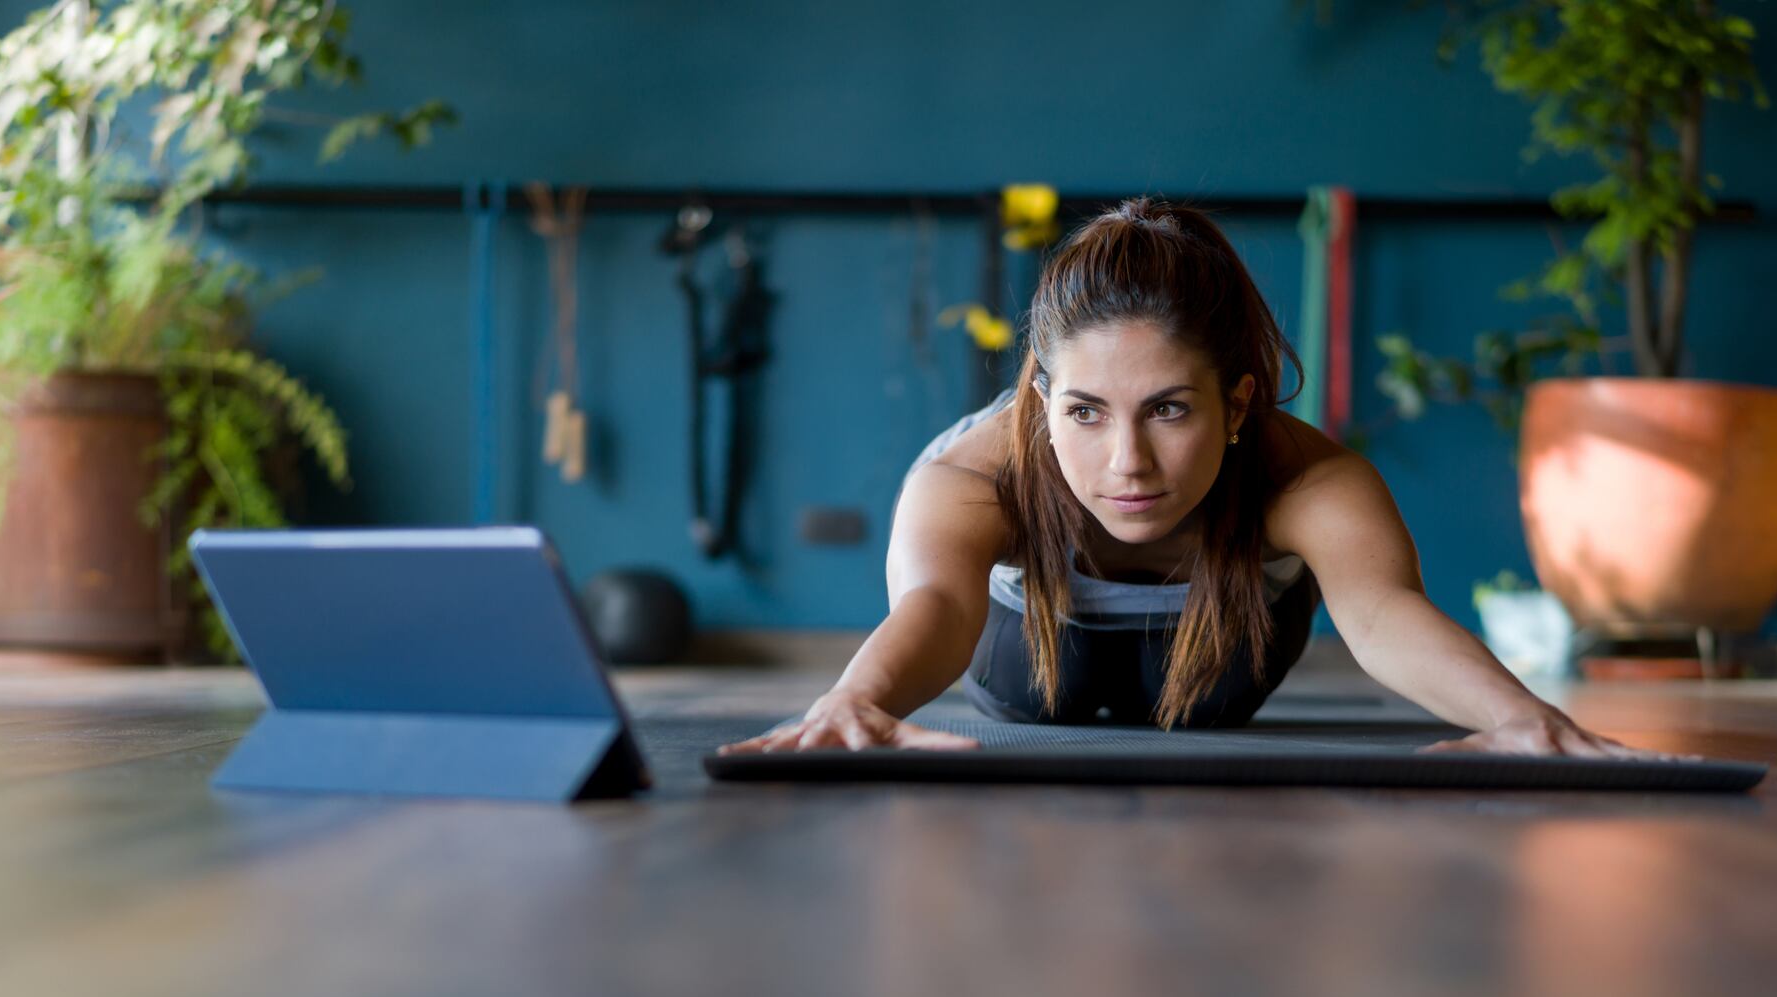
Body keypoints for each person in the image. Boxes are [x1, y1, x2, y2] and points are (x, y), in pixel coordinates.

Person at [718, 198, 1691, 761]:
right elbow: (935, 603)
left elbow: (1383, 614)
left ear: (1236, 402)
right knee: (1016, 671)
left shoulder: (1306, 477)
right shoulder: (973, 471)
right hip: (1027, 662)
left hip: (1213, 672)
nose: (1126, 462)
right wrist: (853, 700)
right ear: (1043, 397)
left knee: (1208, 693)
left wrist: (1521, 719)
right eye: (1085, 412)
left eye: (1169, 409)